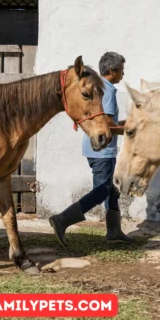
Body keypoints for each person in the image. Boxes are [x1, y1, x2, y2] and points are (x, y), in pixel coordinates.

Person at [49, 52, 132, 247]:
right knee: (102, 191)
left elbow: (107, 122)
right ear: (111, 71)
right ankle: (62, 220)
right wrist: (131, 131)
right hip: (102, 150)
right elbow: (107, 127)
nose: (123, 74)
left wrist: (128, 124)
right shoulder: (108, 90)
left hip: (97, 149)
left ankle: (114, 230)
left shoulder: (101, 87)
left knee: (112, 189)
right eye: (121, 70)